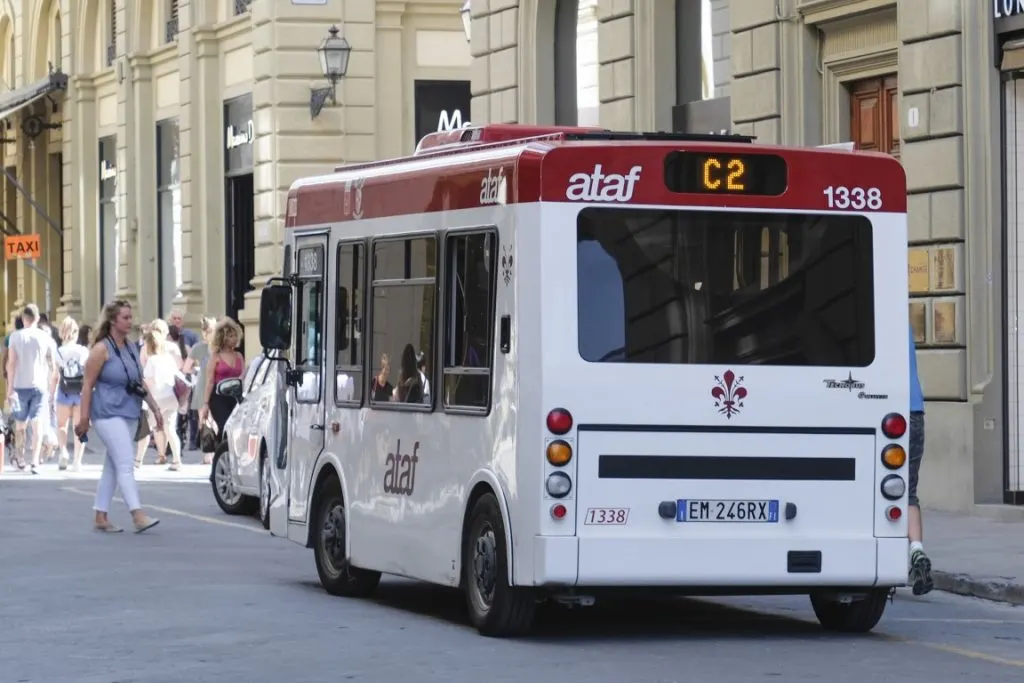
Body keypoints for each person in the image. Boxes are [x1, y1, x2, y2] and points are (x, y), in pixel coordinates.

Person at [75, 300, 160, 533]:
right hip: (107, 413)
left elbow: (138, 381)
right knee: (125, 463)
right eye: (125, 317)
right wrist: (84, 418)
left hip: (130, 411)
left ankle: (100, 516)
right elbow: (87, 386)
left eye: (131, 317)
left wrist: (154, 407)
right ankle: (137, 515)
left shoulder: (132, 347)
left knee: (113, 466)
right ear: (113, 321)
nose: (130, 321)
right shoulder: (101, 349)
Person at [4, 304, 59, 475]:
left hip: (20, 386)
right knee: (38, 423)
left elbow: (11, 363)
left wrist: (9, 388)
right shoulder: (46, 338)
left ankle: (21, 459)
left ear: (23, 319)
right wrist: (52, 387)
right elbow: (53, 366)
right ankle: (35, 461)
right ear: (37, 319)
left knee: (20, 423)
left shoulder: (15, 336)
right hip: (40, 385)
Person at [135, 319, 184, 470]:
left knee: (146, 429)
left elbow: (149, 382)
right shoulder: (168, 358)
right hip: (171, 398)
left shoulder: (152, 361)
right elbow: (177, 373)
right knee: (170, 429)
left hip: (156, 400)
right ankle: (177, 461)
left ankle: (138, 460)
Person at [907, 326, 932, 595]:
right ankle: (917, 551)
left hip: (884, 407)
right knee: (909, 492)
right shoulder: (905, 325)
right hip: (914, 412)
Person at [198, 317, 244, 454]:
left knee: (236, 429)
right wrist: (205, 404)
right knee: (225, 426)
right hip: (218, 398)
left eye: (235, 335)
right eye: (231, 336)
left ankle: (226, 455)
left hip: (235, 397)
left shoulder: (239, 356)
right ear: (223, 338)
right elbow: (210, 381)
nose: (234, 338)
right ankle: (222, 455)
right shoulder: (215, 357)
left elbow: (243, 376)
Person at [55, 317, 90, 472]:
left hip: (64, 390)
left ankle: (63, 451)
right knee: (80, 427)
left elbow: (55, 376)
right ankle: (77, 461)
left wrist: (51, 394)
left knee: (62, 425)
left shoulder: (59, 352)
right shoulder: (83, 351)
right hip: (81, 391)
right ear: (76, 333)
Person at [182, 317, 216, 454]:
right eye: (210, 331)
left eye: (214, 330)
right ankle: (208, 452)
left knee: (210, 420)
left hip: (212, 384)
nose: (212, 333)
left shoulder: (218, 347)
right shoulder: (200, 348)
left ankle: (212, 451)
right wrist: (196, 370)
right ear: (204, 332)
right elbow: (186, 368)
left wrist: (196, 370)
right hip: (205, 385)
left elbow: (186, 368)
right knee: (205, 420)